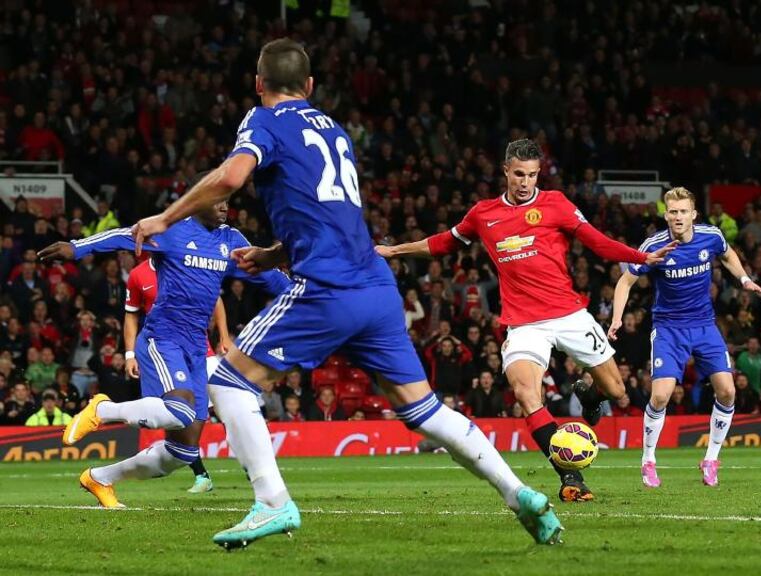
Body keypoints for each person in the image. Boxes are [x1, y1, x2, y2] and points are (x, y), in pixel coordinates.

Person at [131, 39, 563, 548]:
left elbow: (230, 177)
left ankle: (271, 503)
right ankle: (521, 495)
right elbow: (325, 215)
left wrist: (165, 216)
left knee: (228, 383)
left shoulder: (263, 120)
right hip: (377, 288)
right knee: (425, 410)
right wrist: (273, 255)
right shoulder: (335, 129)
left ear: (259, 84)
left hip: (327, 288)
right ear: (310, 86)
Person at [377, 138, 675, 502]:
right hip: (524, 324)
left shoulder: (557, 204)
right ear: (505, 171)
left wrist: (641, 258)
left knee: (618, 393)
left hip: (569, 313)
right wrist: (395, 250)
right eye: (519, 174)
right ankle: (570, 478)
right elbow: (443, 243)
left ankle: (588, 393)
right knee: (525, 393)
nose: (525, 182)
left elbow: (597, 241)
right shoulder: (484, 214)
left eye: (532, 175)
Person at [39, 199, 290, 511]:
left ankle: (99, 478)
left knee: (181, 453)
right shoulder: (172, 230)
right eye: (217, 200)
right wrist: (77, 248)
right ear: (198, 202)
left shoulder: (231, 241)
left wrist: (300, 291)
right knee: (179, 412)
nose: (225, 206)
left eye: (227, 201)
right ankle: (102, 410)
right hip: (163, 338)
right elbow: (124, 235)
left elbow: (265, 271)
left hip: (197, 348)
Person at [609, 187, 761, 488]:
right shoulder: (655, 246)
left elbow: (728, 254)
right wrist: (617, 317)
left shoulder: (712, 236)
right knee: (660, 396)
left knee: (727, 392)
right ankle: (648, 460)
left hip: (705, 325)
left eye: (683, 211)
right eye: (673, 212)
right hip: (669, 328)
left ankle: (711, 458)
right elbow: (625, 281)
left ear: (694, 214)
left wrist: (745, 279)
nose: (678, 217)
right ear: (665, 215)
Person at [124, 255, 232, 494]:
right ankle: (201, 474)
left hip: (200, 350)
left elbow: (214, 298)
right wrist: (130, 354)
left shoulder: (189, 263)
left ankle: (252, 464)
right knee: (174, 411)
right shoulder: (138, 275)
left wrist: (224, 335)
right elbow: (131, 314)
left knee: (230, 406)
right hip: (164, 350)